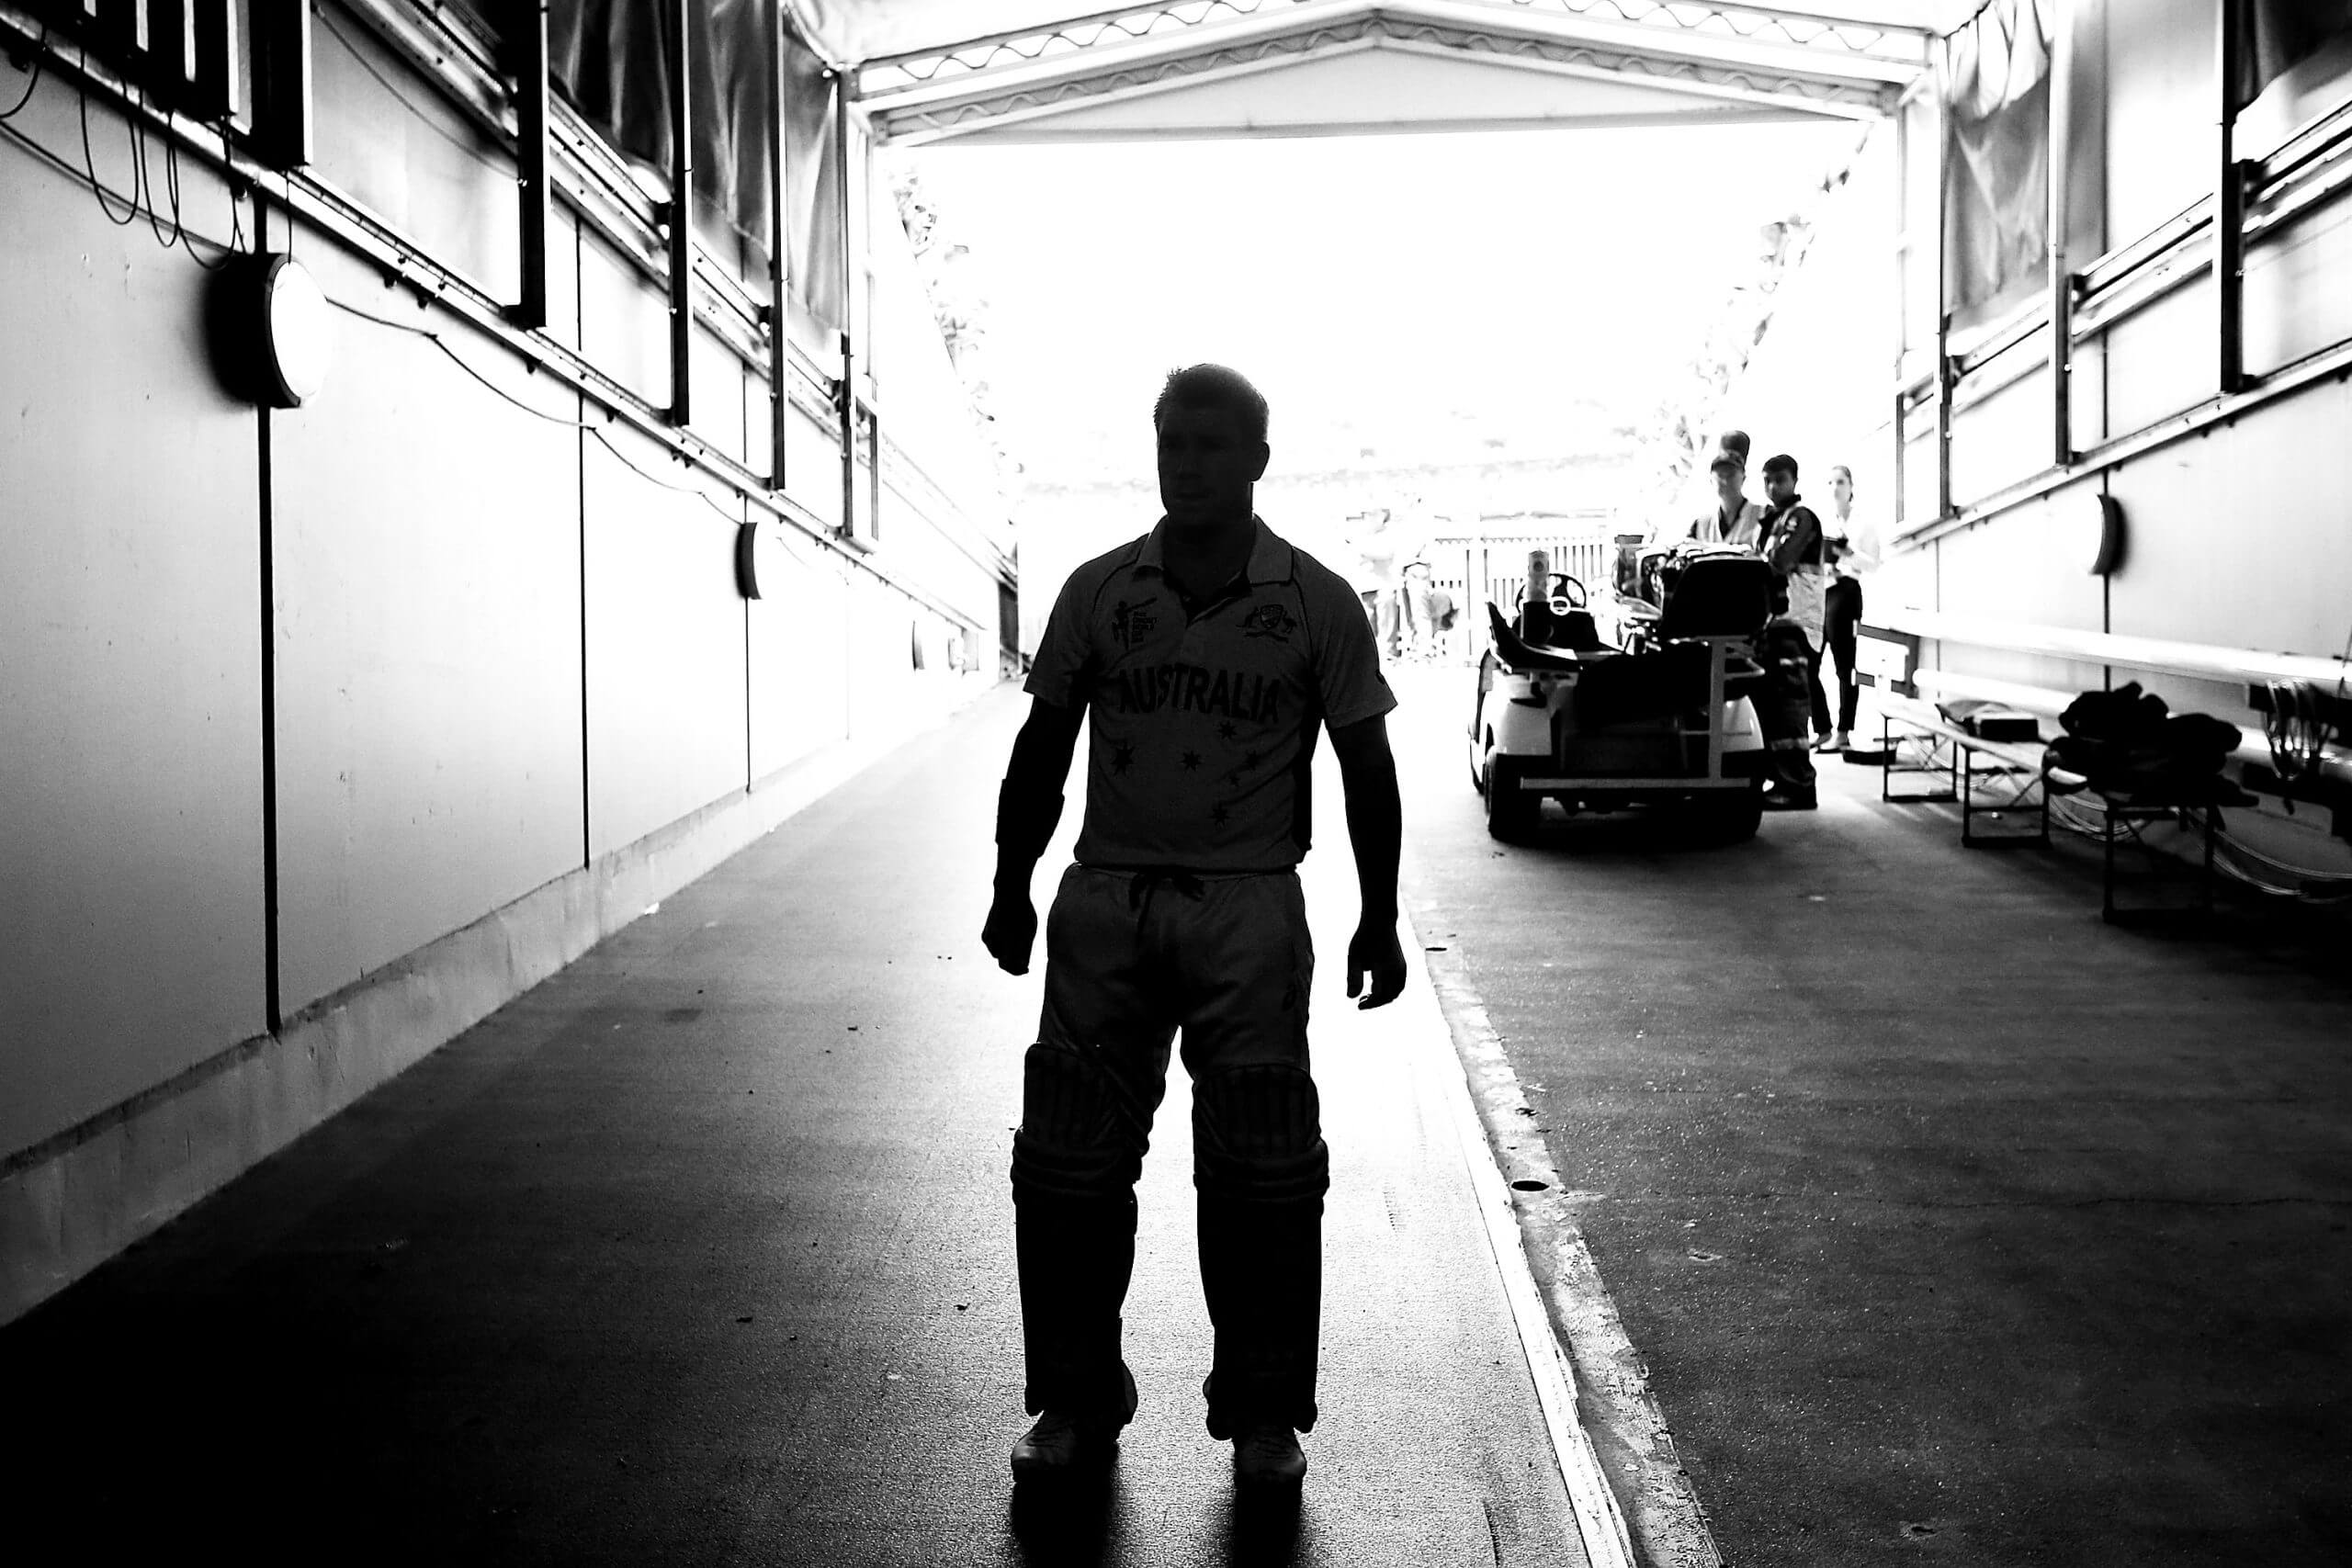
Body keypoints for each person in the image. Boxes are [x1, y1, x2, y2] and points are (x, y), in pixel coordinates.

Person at [982, 364, 1408, 1494]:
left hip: (1249, 906)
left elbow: (1368, 768)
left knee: (1264, 1168)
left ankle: (1264, 1416)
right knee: (1068, 1165)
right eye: (1171, 441)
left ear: (1257, 460)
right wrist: (1010, 881)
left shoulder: (1314, 602)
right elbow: (1042, 746)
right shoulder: (1098, 592)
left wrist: (1381, 914)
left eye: (1211, 445)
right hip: (1108, 899)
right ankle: (1074, 1401)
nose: (1185, 463)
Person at [1755, 454, 1833, 750]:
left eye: (1780, 480)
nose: (1773, 487)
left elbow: (1780, 561)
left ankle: (1818, 732)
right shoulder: (1772, 520)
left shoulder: (1801, 517)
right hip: (1782, 616)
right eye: (1767, 481)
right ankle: (1822, 729)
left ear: (1794, 481)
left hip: (1802, 614)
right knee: (1803, 677)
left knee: (1802, 679)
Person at [1819, 465, 1879, 752]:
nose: (1835, 487)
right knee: (1810, 659)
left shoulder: (1863, 524)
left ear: (1851, 486)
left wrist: (1848, 554)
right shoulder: (1823, 521)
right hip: (1823, 590)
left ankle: (1844, 730)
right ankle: (1822, 726)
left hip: (1847, 590)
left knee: (1844, 664)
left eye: (1840, 481)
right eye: (1830, 482)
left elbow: (1874, 564)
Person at [1687, 447, 1763, 547]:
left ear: (1743, 478)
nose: (1725, 482)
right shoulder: (1700, 526)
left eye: (1731, 475)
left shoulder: (1764, 515)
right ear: (1711, 481)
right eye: (1720, 476)